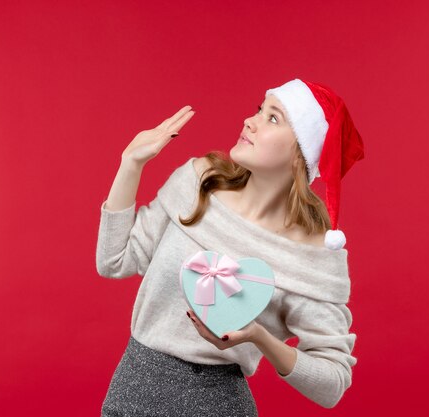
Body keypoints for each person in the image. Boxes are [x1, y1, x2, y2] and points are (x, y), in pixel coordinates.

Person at [96, 78, 365, 416]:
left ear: (301, 155)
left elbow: (332, 383)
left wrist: (259, 338)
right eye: (258, 109)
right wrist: (130, 164)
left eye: (273, 118)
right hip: (130, 392)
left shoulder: (311, 254)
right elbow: (115, 260)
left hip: (216, 404)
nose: (249, 121)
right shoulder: (199, 181)